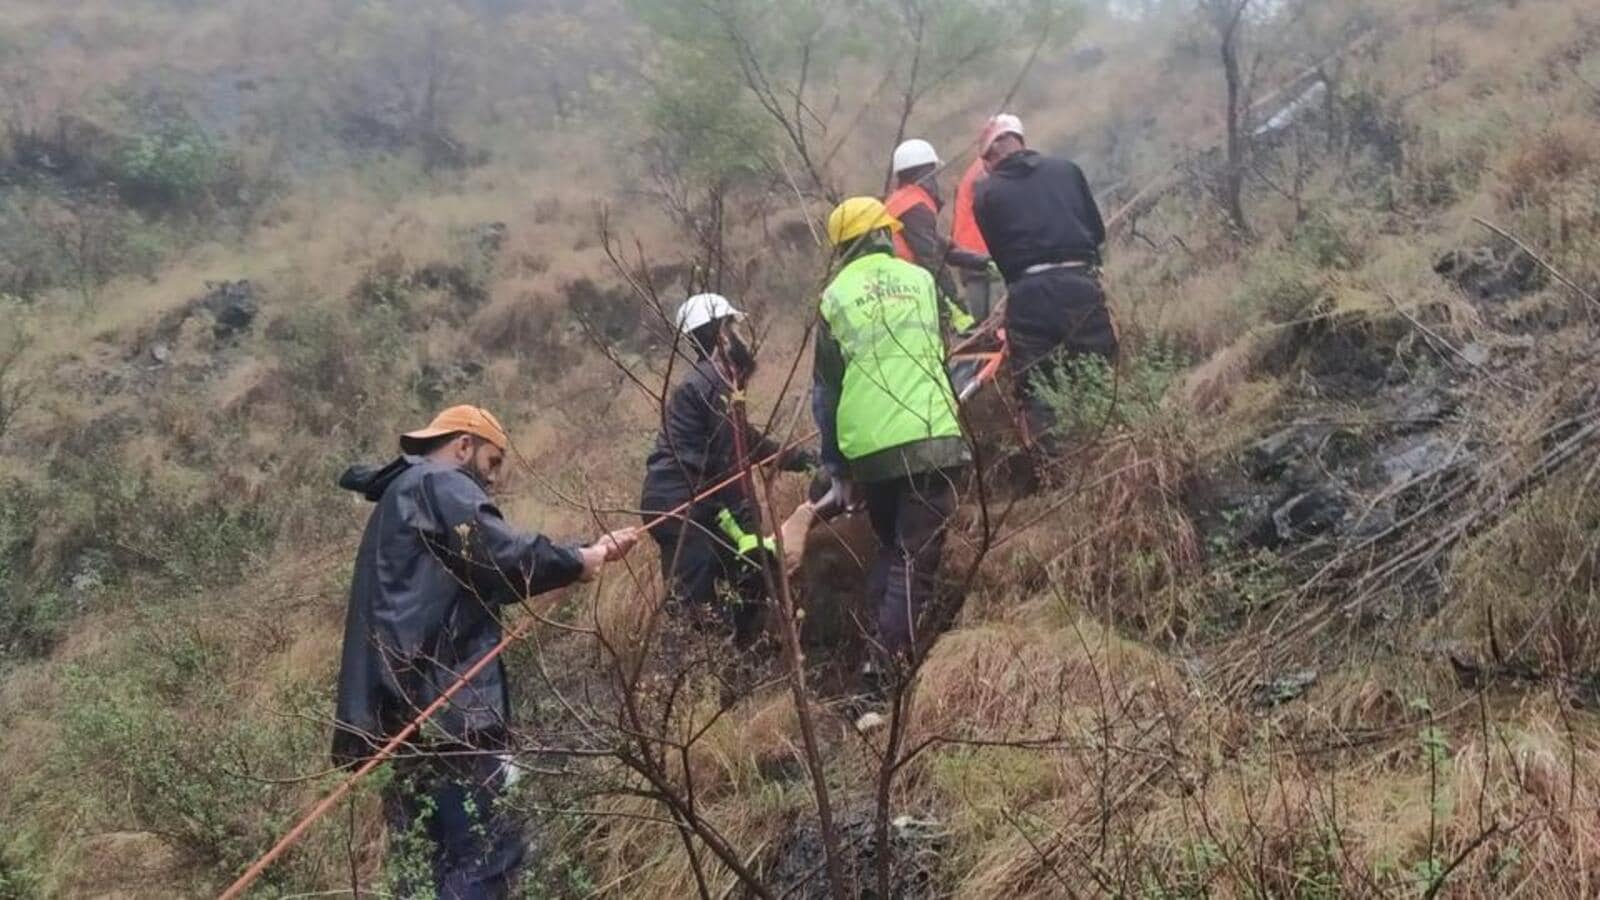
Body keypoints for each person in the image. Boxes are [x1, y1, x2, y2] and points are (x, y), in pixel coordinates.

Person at [331, 404, 639, 898]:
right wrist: (580, 561)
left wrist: (588, 552)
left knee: (422, 868)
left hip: (401, 720)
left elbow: (476, 575)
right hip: (449, 714)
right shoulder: (439, 482)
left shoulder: (403, 494)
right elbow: (501, 557)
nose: (493, 480)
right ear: (464, 445)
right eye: (493, 462)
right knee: (485, 856)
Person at [813, 197, 970, 687]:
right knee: (913, 561)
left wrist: (836, 467)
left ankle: (872, 644)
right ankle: (880, 676)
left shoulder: (833, 297)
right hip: (928, 434)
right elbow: (940, 351)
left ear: (841, 248)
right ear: (883, 234)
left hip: (870, 450)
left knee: (891, 547)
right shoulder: (920, 280)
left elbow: (827, 392)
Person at [640, 293, 816, 647]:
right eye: (734, 326)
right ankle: (695, 675)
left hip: (689, 504)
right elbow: (730, 463)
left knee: (737, 579)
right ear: (721, 335)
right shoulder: (713, 385)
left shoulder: (716, 382)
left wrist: (803, 459)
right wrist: (749, 532)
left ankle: (736, 658)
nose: (742, 336)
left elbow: (746, 441)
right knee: (695, 600)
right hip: (682, 506)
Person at [972, 113, 1117, 453]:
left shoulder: (986, 193)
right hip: (1081, 283)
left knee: (1037, 386)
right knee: (1098, 368)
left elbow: (1000, 255)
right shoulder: (1067, 169)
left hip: (1028, 296)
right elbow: (1096, 232)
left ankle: (1055, 469)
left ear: (991, 154)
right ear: (1019, 141)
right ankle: (1110, 450)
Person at [883, 138, 990, 331]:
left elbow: (939, 247)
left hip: (893, 288)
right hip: (905, 291)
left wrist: (981, 261)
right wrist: (958, 308)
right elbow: (932, 261)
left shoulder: (901, 200)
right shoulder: (914, 206)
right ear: (928, 172)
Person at [951, 153, 996, 323]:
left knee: (981, 319)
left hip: (968, 251)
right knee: (995, 321)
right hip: (982, 251)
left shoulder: (976, 170)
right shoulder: (983, 172)